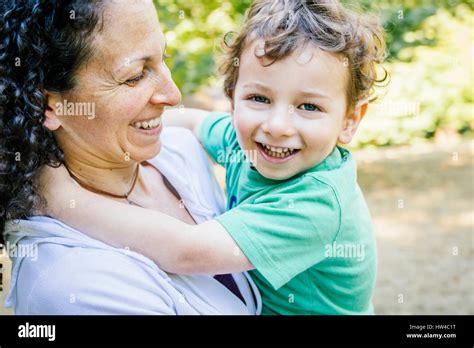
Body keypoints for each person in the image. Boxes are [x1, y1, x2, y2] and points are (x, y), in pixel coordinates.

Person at [40, 0, 388, 314]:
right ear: (233, 98)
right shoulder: (245, 143)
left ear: (349, 121)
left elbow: (186, 251)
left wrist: (61, 198)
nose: (277, 125)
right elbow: (193, 121)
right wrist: (139, 124)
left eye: (309, 106)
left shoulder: (317, 203)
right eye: (259, 98)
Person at [0, 0, 260, 315]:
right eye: (135, 76)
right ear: (50, 105)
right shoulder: (77, 288)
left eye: (163, 58)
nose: (173, 94)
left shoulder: (179, 151)